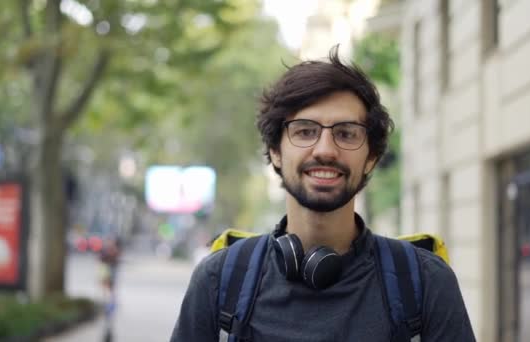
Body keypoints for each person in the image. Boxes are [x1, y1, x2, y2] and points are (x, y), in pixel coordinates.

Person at [171, 46, 476, 341]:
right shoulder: (219, 281)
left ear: (371, 157)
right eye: (305, 131)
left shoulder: (424, 282)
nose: (326, 150)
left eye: (346, 133)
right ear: (276, 151)